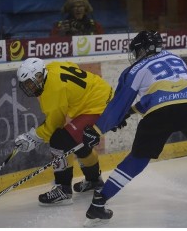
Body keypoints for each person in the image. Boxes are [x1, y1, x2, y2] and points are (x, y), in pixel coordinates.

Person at [82, 30, 187, 226]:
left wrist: (98, 130)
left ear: (143, 49)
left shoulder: (135, 69)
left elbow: (119, 104)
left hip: (160, 114)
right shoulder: (177, 59)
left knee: (138, 159)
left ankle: (99, 202)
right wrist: (130, 112)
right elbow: (168, 93)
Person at [14, 57, 113, 205]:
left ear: (39, 76)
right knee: (76, 141)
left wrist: (32, 137)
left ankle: (63, 190)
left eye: (30, 83)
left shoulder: (52, 90)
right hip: (103, 95)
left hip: (100, 107)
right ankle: (94, 180)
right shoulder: (53, 67)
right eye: (26, 84)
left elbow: (53, 126)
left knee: (59, 140)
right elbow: (72, 66)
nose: (29, 88)